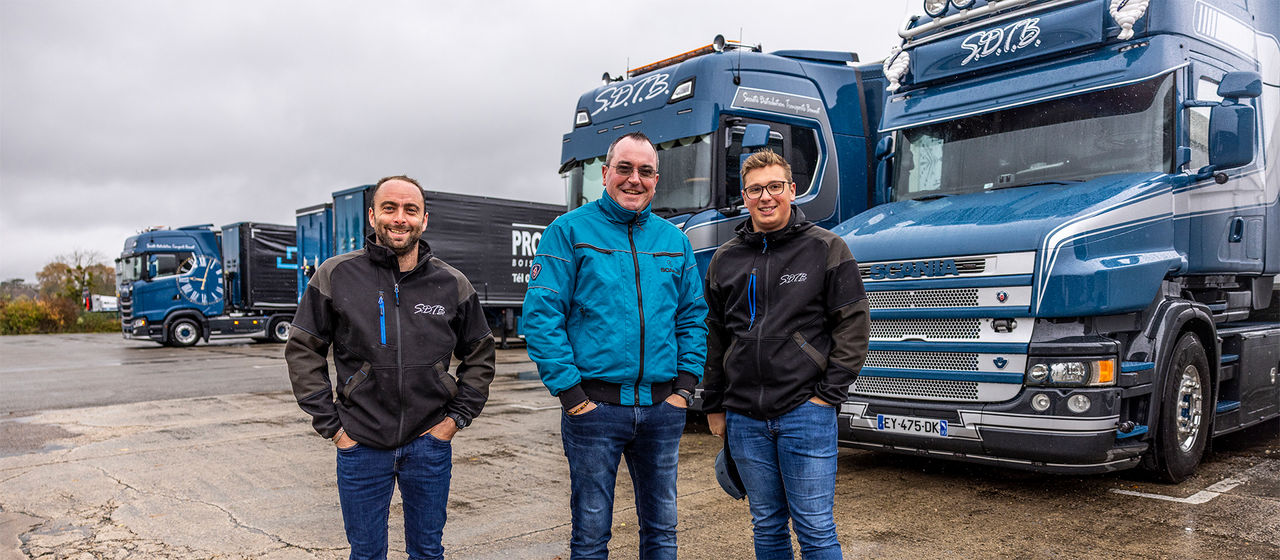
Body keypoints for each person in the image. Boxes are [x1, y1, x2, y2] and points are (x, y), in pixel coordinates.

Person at [285, 175, 496, 560]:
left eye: (410, 210)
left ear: (424, 220)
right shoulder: (336, 274)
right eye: (390, 208)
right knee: (366, 553)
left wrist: (454, 421)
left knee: (428, 552)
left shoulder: (452, 283)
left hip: (429, 443)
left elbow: (480, 353)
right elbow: (303, 350)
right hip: (360, 443)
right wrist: (334, 428)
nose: (400, 218)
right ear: (372, 216)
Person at [523, 132, 709, 559]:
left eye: (645, 171)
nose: (634, 179)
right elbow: (542, 317)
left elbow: (692, 318)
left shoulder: (674, 241)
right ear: (605, 173)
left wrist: (683, 389)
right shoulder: (569, 232)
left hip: (662, 411)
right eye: (624, 168)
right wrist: (572, 395)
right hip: (595, 412)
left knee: (662, 531)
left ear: (656, 180)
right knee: (591, 535)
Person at [702, 149, 869, 560]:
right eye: (755, 189)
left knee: (815, 527)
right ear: (744, 197)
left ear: (792, 190)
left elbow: (853, 326)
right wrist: (714, 404)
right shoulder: (725, 259)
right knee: (767, 524)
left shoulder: (826, 248)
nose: (766, 197)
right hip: (744, 417)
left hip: (805, 412)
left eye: (775, 186)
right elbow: (715, 336)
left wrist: (827, 395)